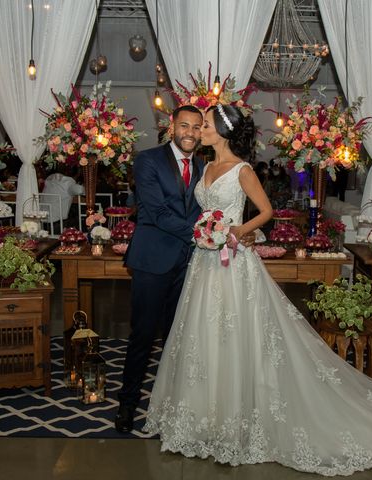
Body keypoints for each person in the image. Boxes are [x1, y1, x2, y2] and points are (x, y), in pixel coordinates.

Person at [144, 104, 372, 475]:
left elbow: (265, 212)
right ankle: (204, 420)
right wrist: (206, 231)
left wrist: (235, 232)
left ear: (223, 131)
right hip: (204, 264)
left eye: (207, 125)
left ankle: (237, 421)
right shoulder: (205, 167)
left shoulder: (242, 170)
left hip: (231, 264)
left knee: (235, 337)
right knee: (205, 339)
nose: (200, 130)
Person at [114, 105, 205, 433]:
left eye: (197, 127)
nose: (190, 133)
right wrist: (201, 234)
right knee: (143, 336)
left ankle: (170, 405)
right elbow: (156, 211)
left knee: (178, 337)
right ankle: (127, 404)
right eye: (185, 126)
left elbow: (204, 208)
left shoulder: (203, 166)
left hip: (190, 263)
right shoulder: (148, 160)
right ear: (172, 128)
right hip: (152, 261)